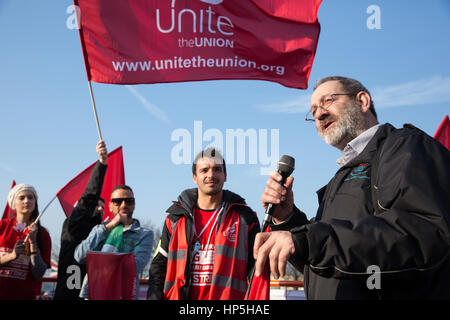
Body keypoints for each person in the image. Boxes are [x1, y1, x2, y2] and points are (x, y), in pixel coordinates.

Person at [254, 76, 450, 299]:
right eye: (313, 110)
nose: (319, 114)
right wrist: (288, 220)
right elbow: (329, 265)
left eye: (328, 101)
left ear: (362, 101)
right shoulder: (340, 176)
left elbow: (423, 233)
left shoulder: (407, 146)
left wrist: (309, 240)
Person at [147, 148, 260, 300]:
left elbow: (256, 272)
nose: (211, 175)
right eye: (204, 170)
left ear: (225, 175)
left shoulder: (245, 218)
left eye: (217, 169)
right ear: (195, 177)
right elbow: (158, 267)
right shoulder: (174, 218)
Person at [74, 184, 153, 299]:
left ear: (134, 204)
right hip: (93, 294)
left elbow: (136, 266)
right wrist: (108, 227)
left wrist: (100, 259)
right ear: (110, 206)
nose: (123, 204)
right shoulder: (99, 230)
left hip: (124, 295)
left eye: (129, 201)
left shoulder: (145, 234)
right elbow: (80, 256)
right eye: (117, 201)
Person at [54, 140, 108, 300]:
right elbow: (89, 197)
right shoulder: (73, 226)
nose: (99, 208)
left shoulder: (103, 232)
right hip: (70, 293)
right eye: (95, 205)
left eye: (102, 207)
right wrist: (102, 163)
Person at [0, 184, 51, 300]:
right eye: (21, 198)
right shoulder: (2, 226)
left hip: (25, 295)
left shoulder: (43, 234)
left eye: (30, 197)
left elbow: (38, 274)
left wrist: (33, 243)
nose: (26, 201)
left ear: (35, 202)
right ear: (13, 203)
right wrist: (11, 256)